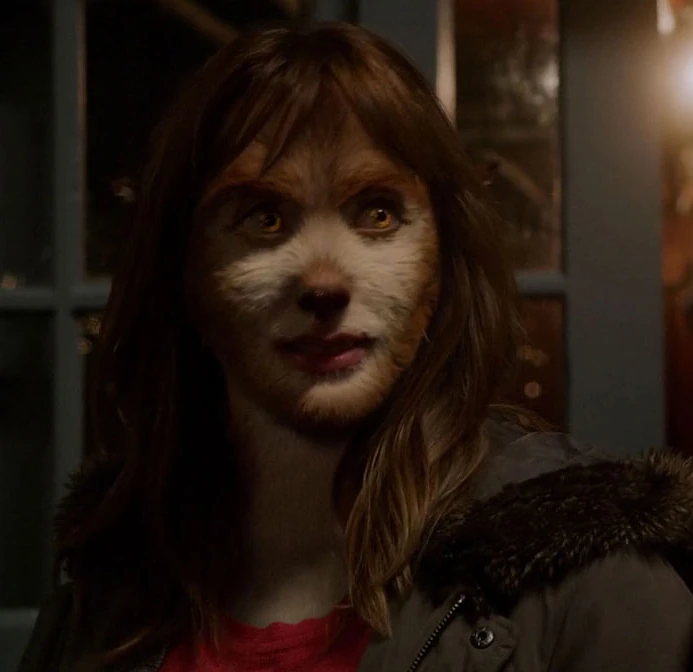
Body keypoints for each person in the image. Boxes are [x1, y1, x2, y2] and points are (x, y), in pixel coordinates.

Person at [18, 22, 693, 672]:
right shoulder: (105, 592)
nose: (323, 281)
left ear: (442, 259)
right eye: (265, 218)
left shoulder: (589, 583)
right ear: (184, 268)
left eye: (377, 212)